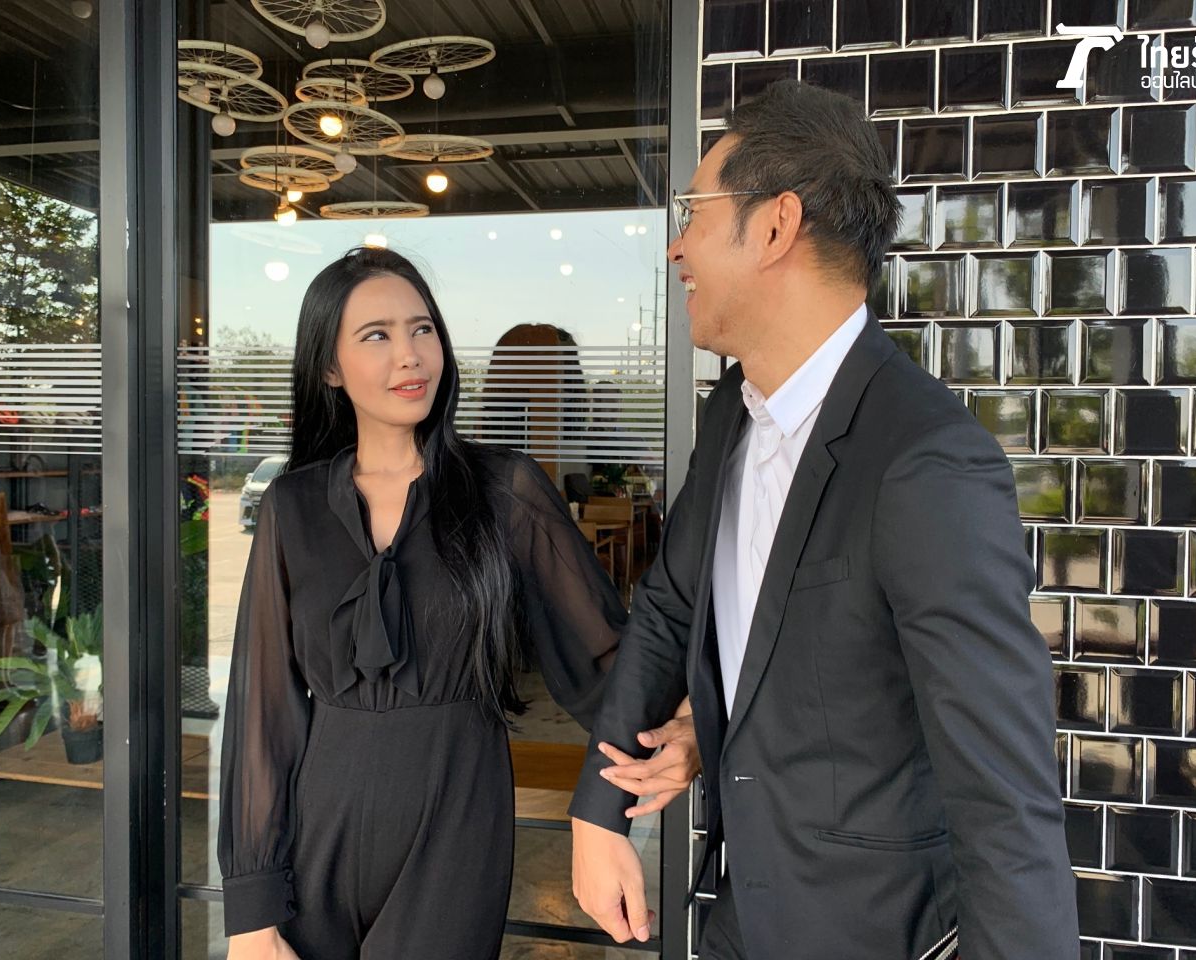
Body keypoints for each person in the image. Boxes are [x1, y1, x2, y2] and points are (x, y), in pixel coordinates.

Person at [568, 80, 1079, 959]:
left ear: (775, 226)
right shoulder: (733, 411)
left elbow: (1003, 796)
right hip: (741, 917)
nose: (676, 246)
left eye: (693, 212)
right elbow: (670, 608)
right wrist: (599, 808)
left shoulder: (925, 460)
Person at [218, 247, 696, 959]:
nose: (409, 354)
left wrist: (689, 723)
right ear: (329, 368)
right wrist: (252, 917)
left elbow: (608, 662)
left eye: (422, 329)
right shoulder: (293, 506)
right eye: (376, 335)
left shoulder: (505, 490)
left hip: (457, 822)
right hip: (318, 832)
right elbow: (263, 714)